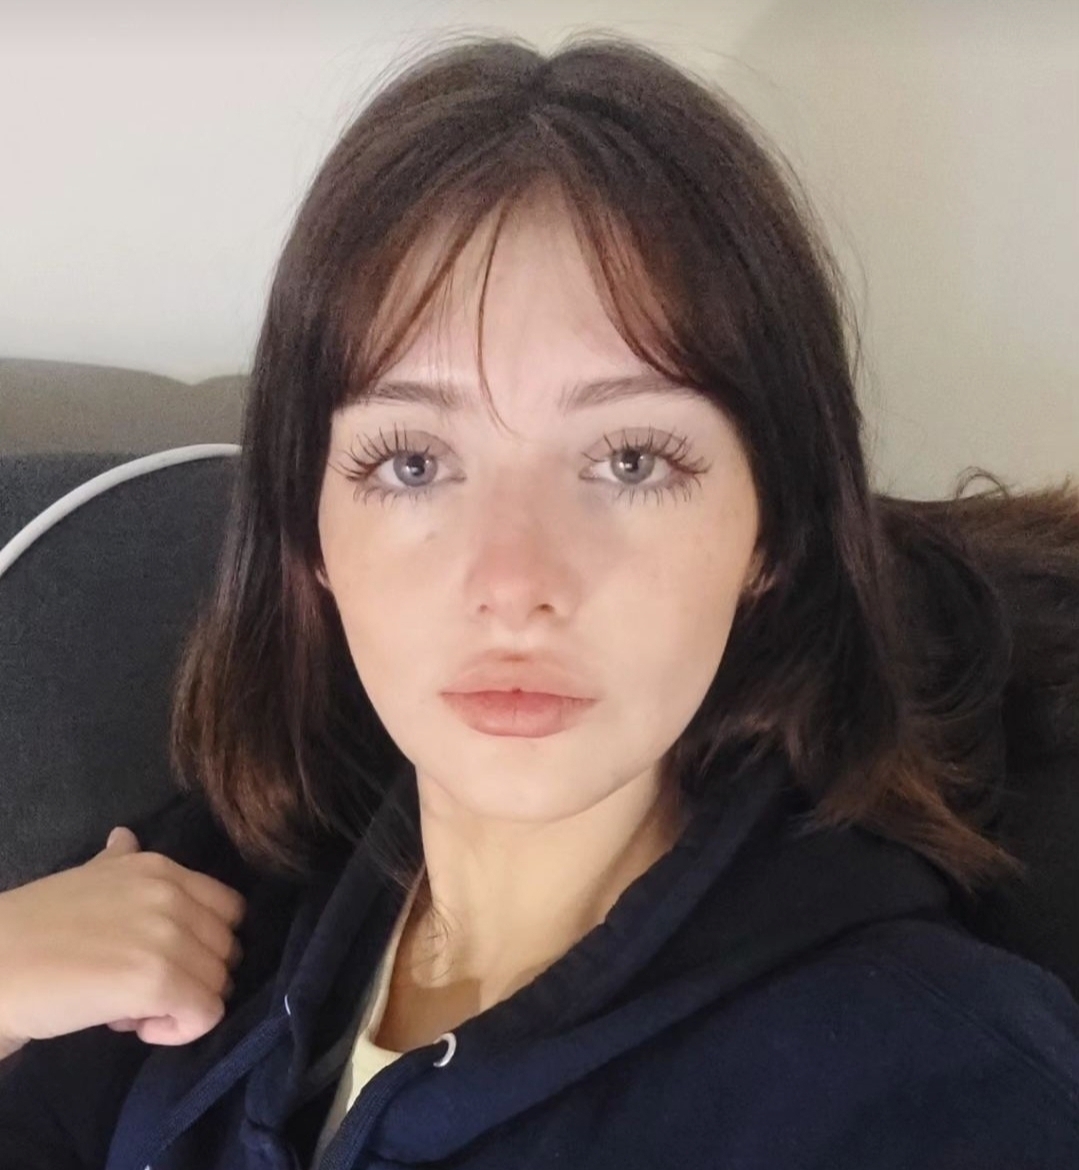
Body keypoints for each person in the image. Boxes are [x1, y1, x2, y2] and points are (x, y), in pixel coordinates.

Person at [2, 30, 1079, 1170]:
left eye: (629, 461)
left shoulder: (933, 1087)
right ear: (306, 529)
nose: (513, 585)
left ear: (771, 529)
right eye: (412, 462)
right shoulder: (223, 874)